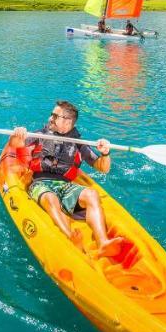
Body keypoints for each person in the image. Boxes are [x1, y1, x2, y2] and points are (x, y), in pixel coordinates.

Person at [8, 101, 126, 256]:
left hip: (65, 185)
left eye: (55, 116)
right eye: (52, 114)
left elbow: (103, 168)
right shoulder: (41, 134)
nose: (50, 118)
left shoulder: (78, 143)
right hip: (40, 182)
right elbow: (15, 144)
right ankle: (70, 237)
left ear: (67, 122)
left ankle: (103, 243)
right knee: (51, 199)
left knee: (91, 194)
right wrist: (17, 134)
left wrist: (105, 153)